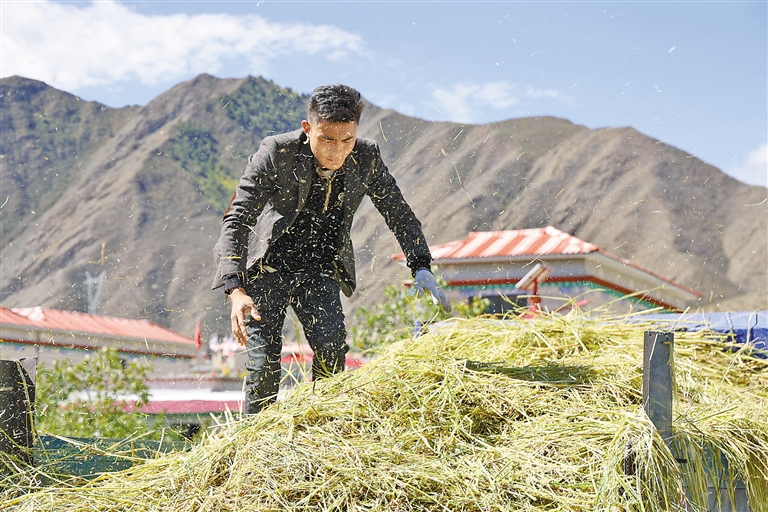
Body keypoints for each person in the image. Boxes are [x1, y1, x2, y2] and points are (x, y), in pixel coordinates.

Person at [212, 84, 450, 414]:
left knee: (332, 352)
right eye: (326, 139)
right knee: (264, 367)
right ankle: (254, 440)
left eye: (346, 140)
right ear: (307, 128)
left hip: (320, 268)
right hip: (268, 268)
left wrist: (420, 263)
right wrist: (235, 288)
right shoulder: (277, 151)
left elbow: (398, 212)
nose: (336, 151)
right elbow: (237, 218)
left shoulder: (366, 156)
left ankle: (323, 431)